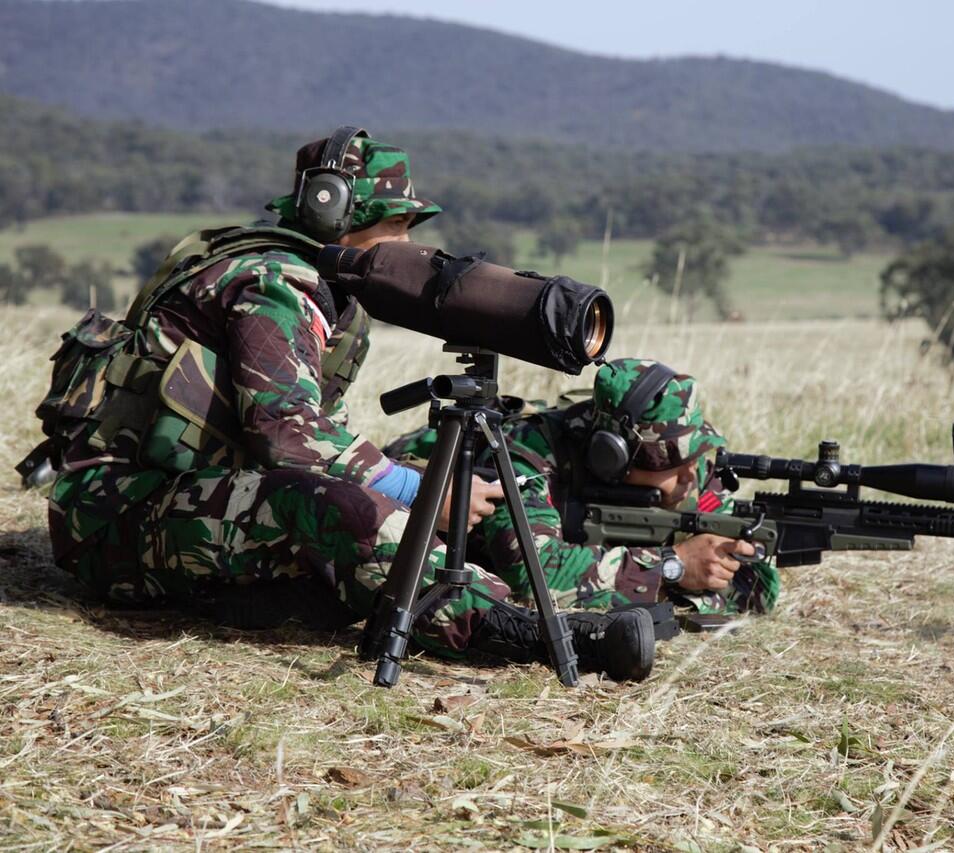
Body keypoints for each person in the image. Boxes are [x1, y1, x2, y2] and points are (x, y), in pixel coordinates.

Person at [29, 127, 655, 682]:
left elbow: (297, 437)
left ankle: (576, 591)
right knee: (346, 508)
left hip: (177, 501)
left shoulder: (317, 288)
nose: (408, 249)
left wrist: (414, 489)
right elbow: (286, 435)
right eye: (396, 229)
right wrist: (410, 491)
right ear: (332, 215)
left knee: (433, 492)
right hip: (115, 520)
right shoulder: (273, 282)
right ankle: (528, 632)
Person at [384, 358, 781, 617]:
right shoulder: (525, 455)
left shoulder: (694, 460)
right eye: (668, 463)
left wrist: (702, 570)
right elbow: (537, 576)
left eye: (695, 456)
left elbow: (755, 586)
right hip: (408, 492)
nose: (689, 477)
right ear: (613, 454)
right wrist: (671, 567)